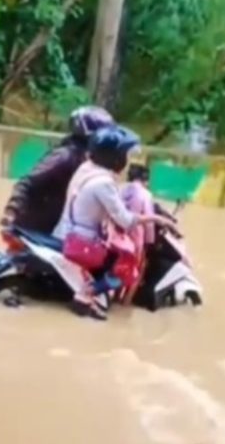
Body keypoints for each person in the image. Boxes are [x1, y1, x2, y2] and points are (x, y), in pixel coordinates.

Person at [52, 125, 175, 320]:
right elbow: (126, 220)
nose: (128, 160)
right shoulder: (105, 183)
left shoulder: (88, 169)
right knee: (126, 270)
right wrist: (157, 219)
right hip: (84, 240)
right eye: (126, 155)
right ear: (116, 157)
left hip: (68, 231)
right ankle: (85, 295)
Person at [0, 106, 115, 237]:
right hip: (34, 229)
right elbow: (28, 182)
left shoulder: (89, 161)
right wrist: (12, 210)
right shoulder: (65, 156)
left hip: (58, 230)